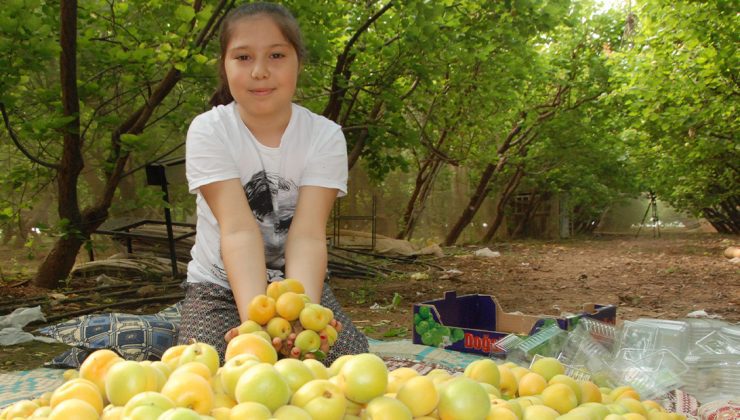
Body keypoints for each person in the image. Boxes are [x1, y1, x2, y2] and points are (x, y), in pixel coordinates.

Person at [177, 2, 368, 365]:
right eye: (244, 57)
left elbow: (308, 235)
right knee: (210, 366)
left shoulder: (325, 136)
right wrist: (258, 329)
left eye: (276, 55)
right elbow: (237, 232)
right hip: (216, 286)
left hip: (297, 286)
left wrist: (299, 321)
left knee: (347, 360)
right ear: (225, 65)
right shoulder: (209, 130)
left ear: (298, 61)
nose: (260, 72)